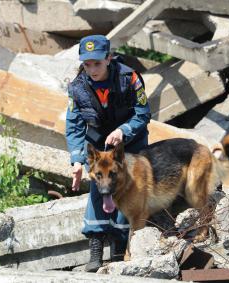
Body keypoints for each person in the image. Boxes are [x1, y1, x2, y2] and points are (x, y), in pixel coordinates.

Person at [65, 34, 151, 272]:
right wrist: (77, 159)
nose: (92, 69)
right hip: (98, 144)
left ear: (109, 58)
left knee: (125, 187)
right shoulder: (77, 88)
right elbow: (73, 126)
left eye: (97, 63)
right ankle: (95, 249)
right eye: (87, 64)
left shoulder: (130, 79)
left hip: (129, 144)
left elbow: (143, 113)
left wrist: (124, 131)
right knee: (99, 186)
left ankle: (118, 249)